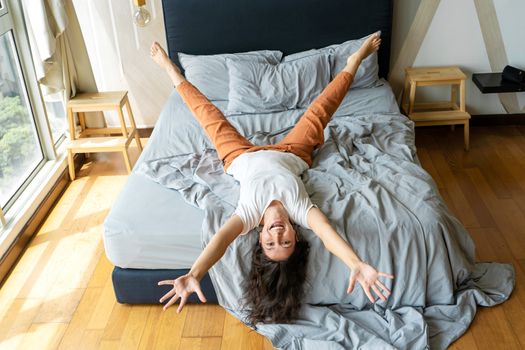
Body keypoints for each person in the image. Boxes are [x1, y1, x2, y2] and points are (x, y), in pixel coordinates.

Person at [151, 32, 394, 324]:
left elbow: (219, 242)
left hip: (239, 156)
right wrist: (355, 264)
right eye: (285, 243)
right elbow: (329, 237)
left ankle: (171, 70)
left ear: (260, 236)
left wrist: (194, 274)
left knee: (207, 115)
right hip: (293, 153)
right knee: (322, 108)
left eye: (270, 243)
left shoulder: (248, 215)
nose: (277, 235)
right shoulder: (301, 211)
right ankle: (354, 60)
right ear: (295, 236)